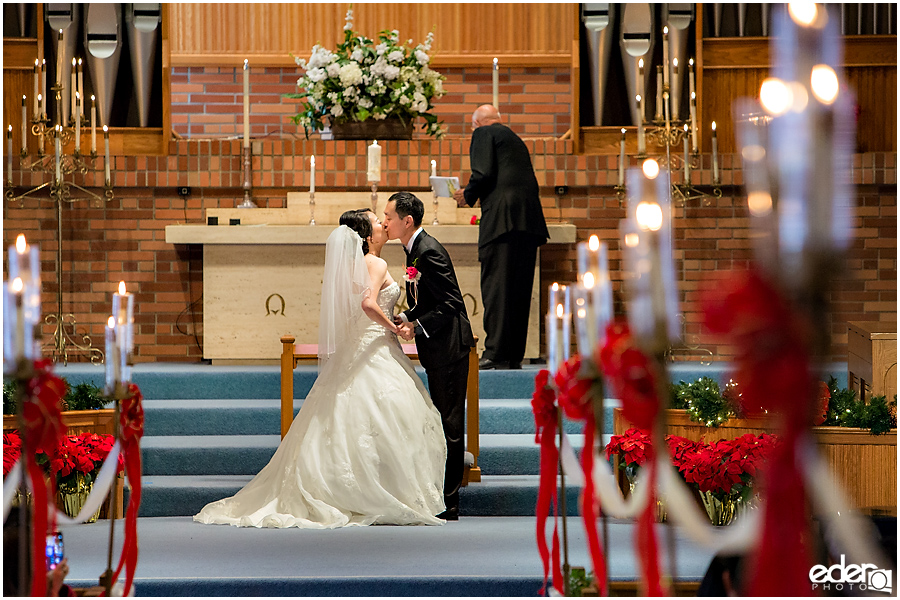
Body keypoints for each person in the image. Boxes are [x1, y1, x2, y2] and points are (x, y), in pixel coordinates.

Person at [194, 209, 447, 528]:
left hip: (364, 344)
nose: (384, 224)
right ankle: (383, 489)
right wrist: (393, 328)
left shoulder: (359, 266)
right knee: (391, 415)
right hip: (376, 345)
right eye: (377, 222)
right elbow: (368, 304)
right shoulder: (377, 263)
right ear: (367, 236)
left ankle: (354, 485)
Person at [383, 192, 475, 520]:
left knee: (450, 424)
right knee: (440, 420)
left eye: (389, 217)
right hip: (438, 346)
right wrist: (409, 317)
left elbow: (451, 302)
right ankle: (441, 496)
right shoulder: (414, 249)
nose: (384, 222)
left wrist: (418, 326)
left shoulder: (429, 251)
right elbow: (428, 297)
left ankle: (450, 505)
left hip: (449, 348)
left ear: (407, 221)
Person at [453, 104, 549, 370]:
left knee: (496, 289)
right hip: (528, 222)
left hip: (502, 222)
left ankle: (495, 353)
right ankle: (512, 355)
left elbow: (483, 173)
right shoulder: (514, 139)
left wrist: (467, 195)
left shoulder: (484, 133)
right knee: (518, 289)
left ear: (478, 123)